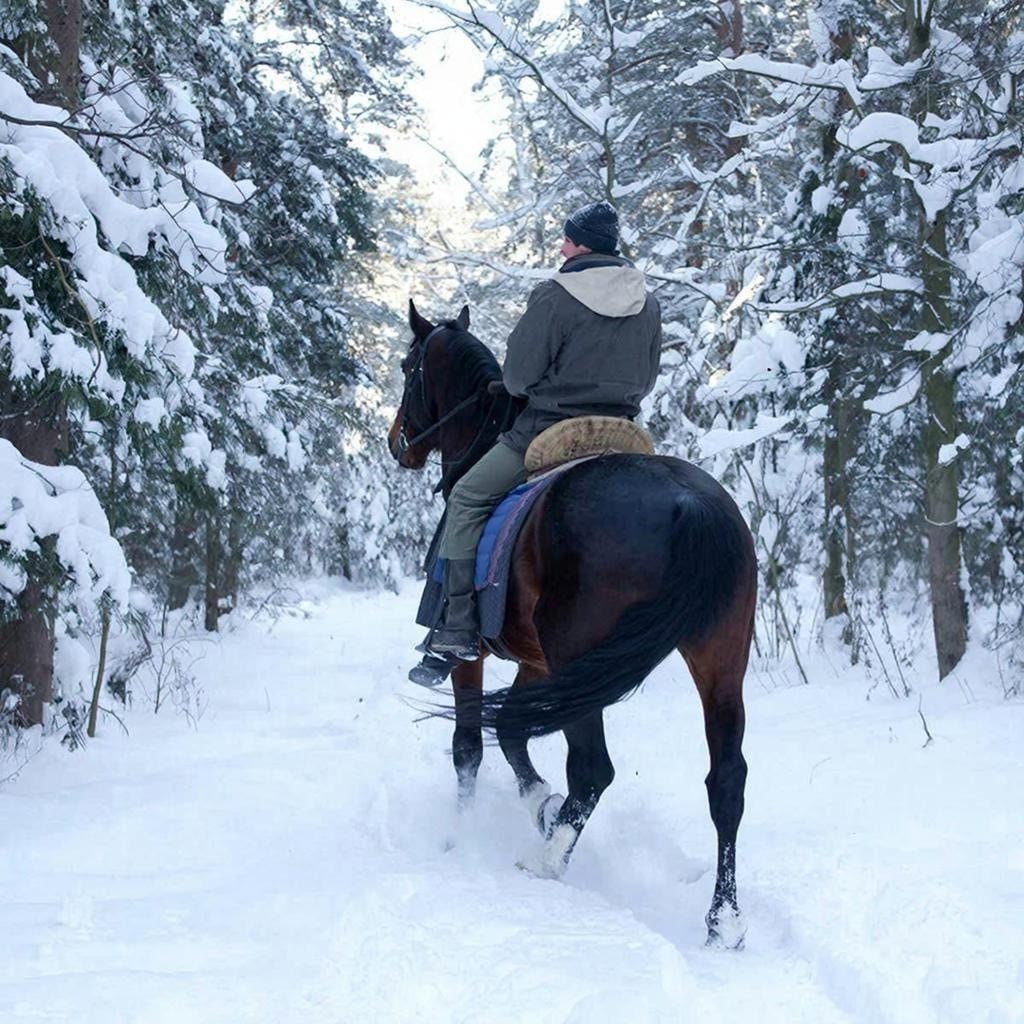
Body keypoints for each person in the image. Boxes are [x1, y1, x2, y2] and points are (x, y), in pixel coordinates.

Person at [428, 200, 664, 661]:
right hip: (621, 434)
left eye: (566, 239)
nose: (560, 247)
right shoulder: (647, 301)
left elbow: (517, 379)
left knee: (468, 496)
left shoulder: (555, 294)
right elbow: (648, 380)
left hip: (549, 432)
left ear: (580, 246)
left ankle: (457, 626)